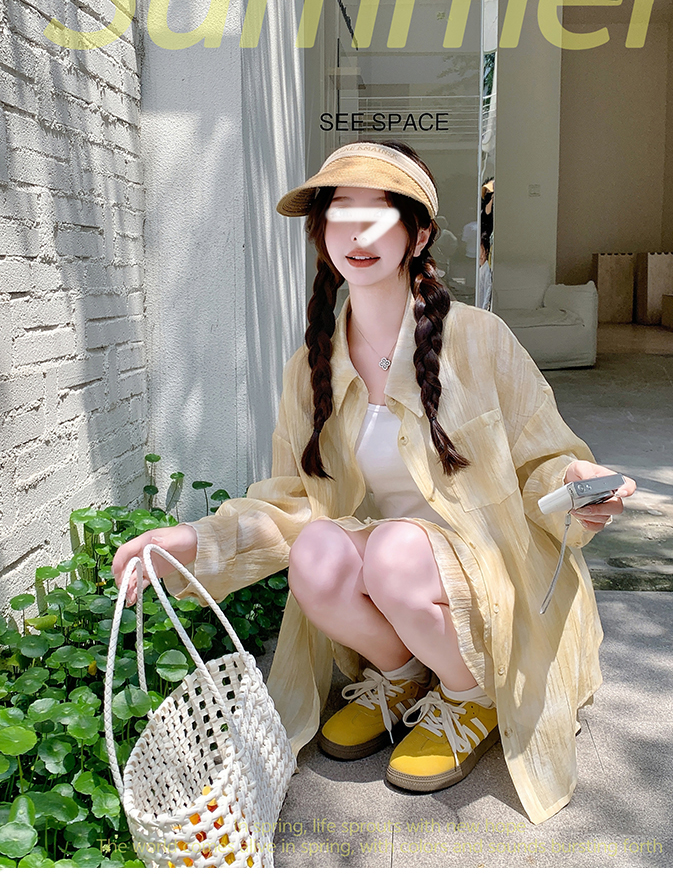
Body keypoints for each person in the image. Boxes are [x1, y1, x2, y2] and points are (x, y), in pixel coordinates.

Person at [113, 140, 636, 825]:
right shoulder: (311, 366)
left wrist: (575, 481)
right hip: (402, 572)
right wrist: (193, 541)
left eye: (379, 214)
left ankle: (472, 692)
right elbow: (293, 502)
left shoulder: (479, 339)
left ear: (418, 235)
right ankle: (402, 675)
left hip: (486, 573)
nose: (357, 233)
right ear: (321, 231)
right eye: (340, 213)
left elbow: (542, 456)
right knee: (317, 553)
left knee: (392, 551)